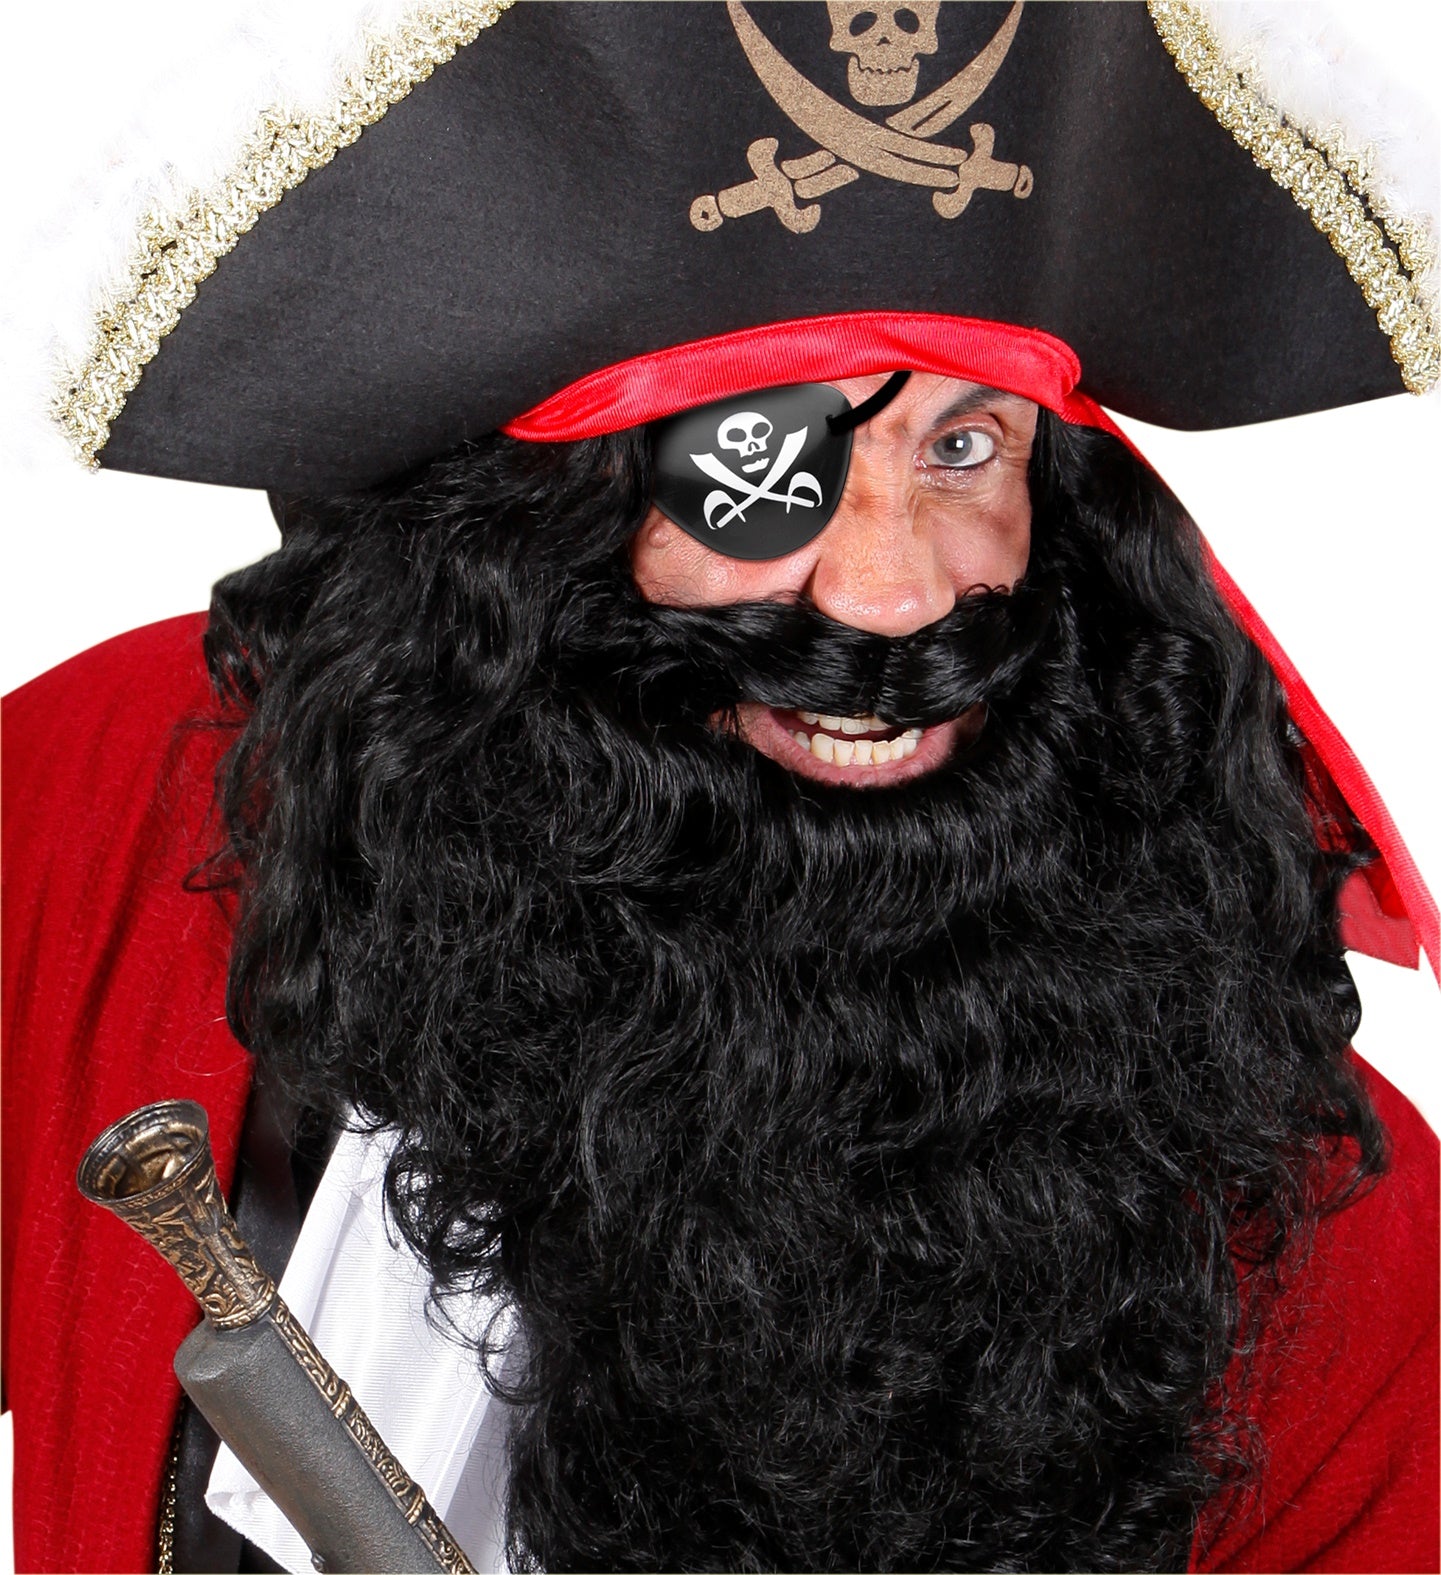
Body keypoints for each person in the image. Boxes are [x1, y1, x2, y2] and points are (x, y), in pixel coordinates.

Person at [4, 5, 1438, 1572]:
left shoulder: (1319, 1228)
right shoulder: (123, 795)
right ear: (530, 535)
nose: (892, 594)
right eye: (760, 464)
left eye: (963, 450)